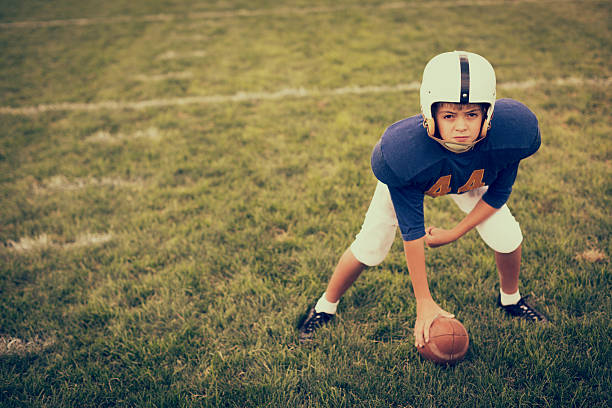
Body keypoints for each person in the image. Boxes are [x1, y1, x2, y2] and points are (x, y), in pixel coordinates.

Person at [298, 51, 548, 347]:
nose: (461, 126)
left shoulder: (512, 135)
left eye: (472, 114)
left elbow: (498, 193)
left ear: (488, 115)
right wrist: (424, 301)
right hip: (421, 178)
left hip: (469, 180)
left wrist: (455, 232)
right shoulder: (405, 155)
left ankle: (511, 300)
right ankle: (325, 305)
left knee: (507, 236)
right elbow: (412, 231)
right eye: (449, 115)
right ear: (430, 115)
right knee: (370, 247)